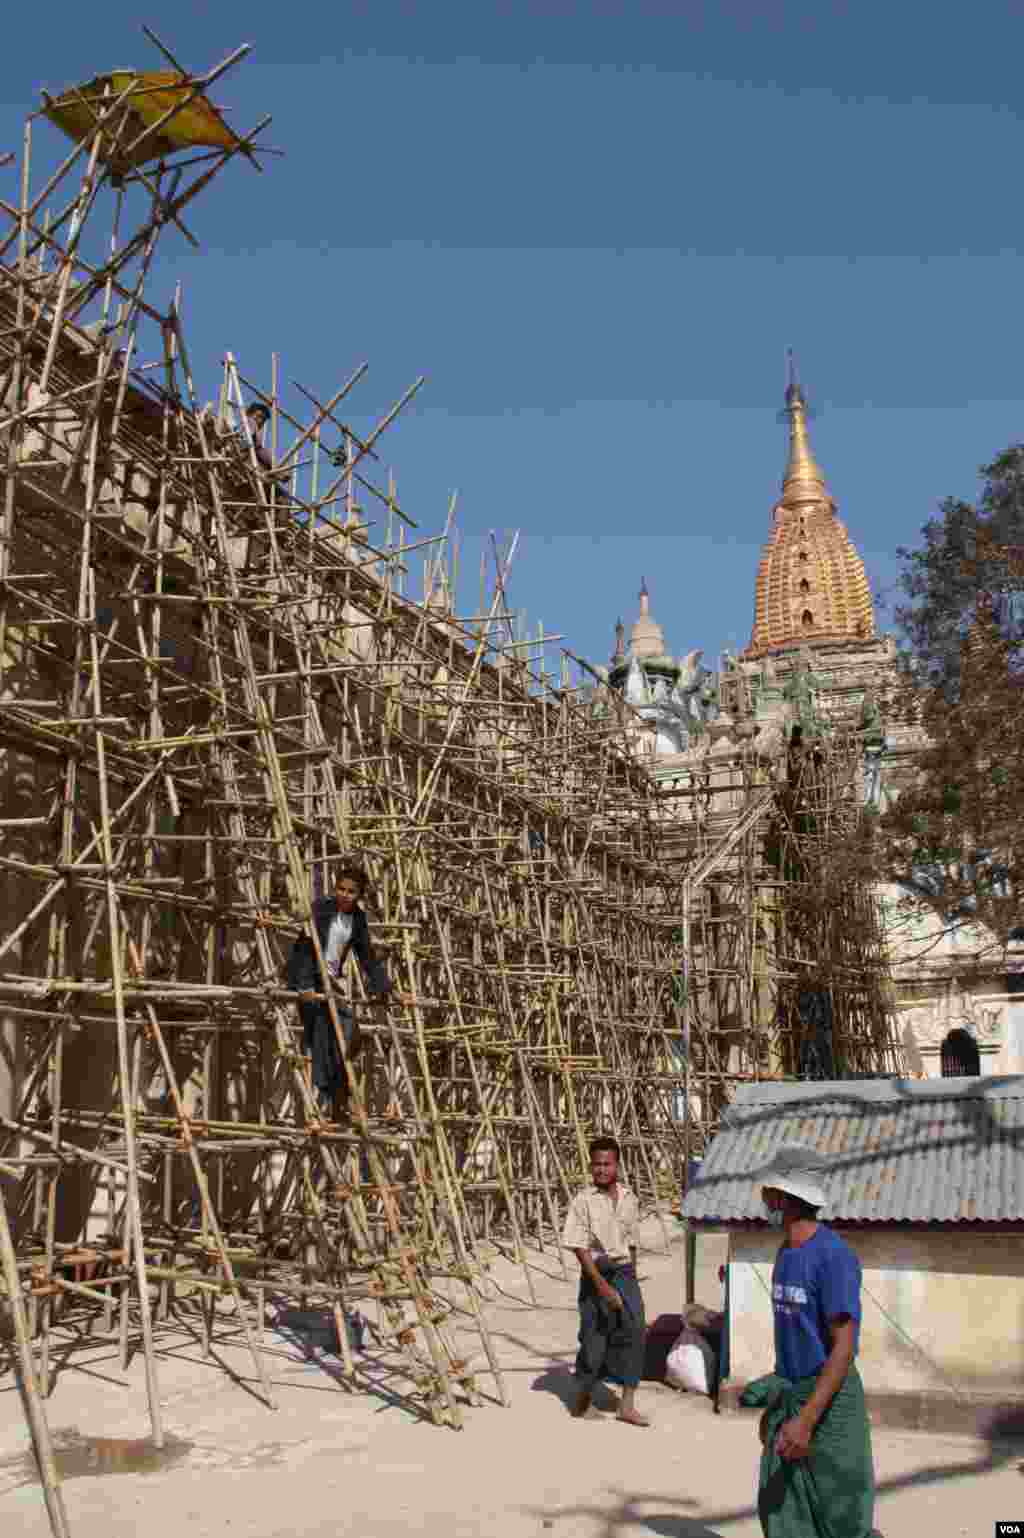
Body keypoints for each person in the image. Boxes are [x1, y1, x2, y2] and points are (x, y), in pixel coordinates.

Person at [739, 1144, 876, 1538]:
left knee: (842, 1519)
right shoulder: (786, 1252)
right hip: (797, 1396)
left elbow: (843, 1348)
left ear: (784, 1198)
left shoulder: (833, 1257)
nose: (762, 1197)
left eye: (768, 1190)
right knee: (783, 1513)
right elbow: (797, 1337)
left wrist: (806, 1420)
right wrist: (778, 1389)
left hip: (829, 1405)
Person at [285, 865, 393, 1120]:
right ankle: (335, 1103)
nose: (345, 895)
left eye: (351, 892)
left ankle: (335, 1098)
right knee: (326, 1036)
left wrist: (387, 988)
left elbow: (366, 956)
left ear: (360, 895)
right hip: (311, 978)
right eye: (341, 889)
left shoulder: (357, 918)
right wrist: (304, 985)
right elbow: (304, 947)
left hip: (329, 981)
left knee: (350, 1034)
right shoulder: (321, 908)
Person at [561, 1136, 649, 1427]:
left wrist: (631, 1277)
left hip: (624, 1273)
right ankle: (583, 1398)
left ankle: (627, 1405)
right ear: (591, 1166)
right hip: (596, 1275)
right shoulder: (582, 1202)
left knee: (635, 1331)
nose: (601, 1170)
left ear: (617, 1165)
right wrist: (601, 1286)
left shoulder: (629, 1199)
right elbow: (579, 1247)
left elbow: (632, 1241)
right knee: (594, 1339)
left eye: (607, 1164)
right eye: (596, 1164)